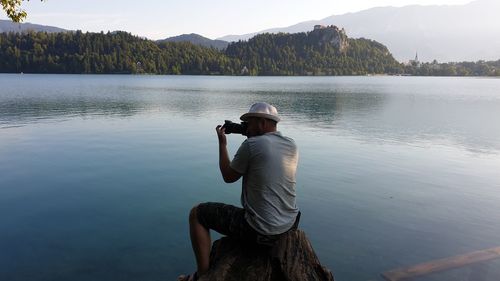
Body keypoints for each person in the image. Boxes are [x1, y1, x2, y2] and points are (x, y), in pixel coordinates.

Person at [178, 102, 299, 281]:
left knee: (197, 214)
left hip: (261, 231)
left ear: (262, 122)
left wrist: (222, 144)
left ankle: (202, 275)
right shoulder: (291, 144)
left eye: (249, 123)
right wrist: (249, 132)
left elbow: (228, 176)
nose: (246, 127)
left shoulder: (252, 145)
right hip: (289, 224)